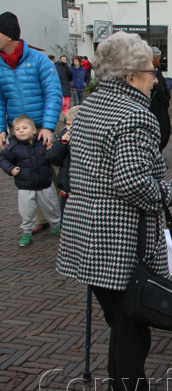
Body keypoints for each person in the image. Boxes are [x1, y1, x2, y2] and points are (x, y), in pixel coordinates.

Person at [56, 31, 172, 391]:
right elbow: (131, 183)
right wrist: (170, 192)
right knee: (133, 329)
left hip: (87, 234)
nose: (155, 79)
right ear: (131, 76)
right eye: (151, 71)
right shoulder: (133, 115)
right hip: (120, 240)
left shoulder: (92, 105)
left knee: (120, 322)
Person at [0, 11, 62, 149]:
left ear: (8, 36)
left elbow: (53, 93)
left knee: (53, 168)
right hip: (17, 131)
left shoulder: (39, 60)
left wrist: (48, 126)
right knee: (22, 169)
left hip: (42, 128)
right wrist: (1, 129)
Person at [0, 116, 61, 247]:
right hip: (25, 185)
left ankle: (56, 225)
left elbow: (53, 157)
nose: (21, 131)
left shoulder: (41, 143)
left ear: (33, 130)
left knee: (49, 207)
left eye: (24, 128)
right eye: (17, 129)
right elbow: (3, 159)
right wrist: (11, 169)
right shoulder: (13, 147)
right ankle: (27, 231)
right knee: (26, 210)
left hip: (44, 184)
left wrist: (51, 150)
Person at [46, 105, 80, 220]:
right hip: (66, 188)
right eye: (67, 124)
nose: (68, 128)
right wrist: (62, 144)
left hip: (80, 191)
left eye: (71, 124)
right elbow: (52, 157)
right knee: (66, 218)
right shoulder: (63, 137)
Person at [149, 47, 171, 152]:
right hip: (157, 106)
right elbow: (160, 89)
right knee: (160, 129)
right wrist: (166, 99)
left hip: (154, 105)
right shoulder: (155, 73)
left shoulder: (154, 72)